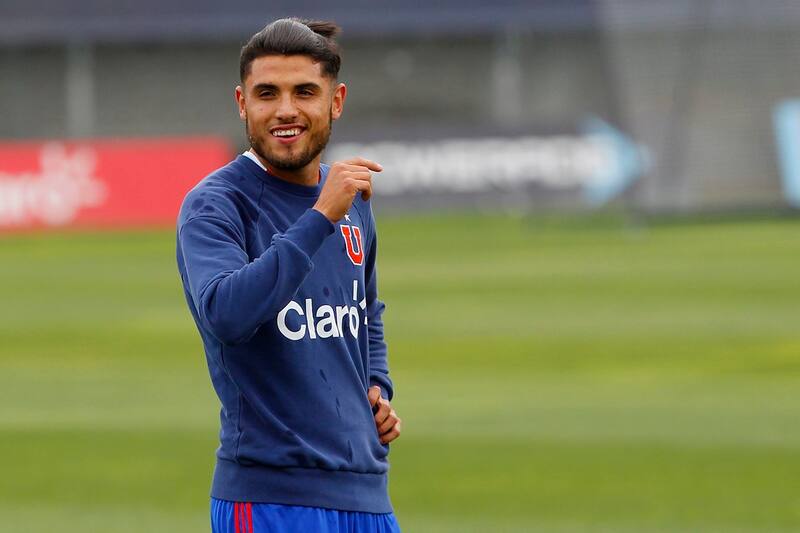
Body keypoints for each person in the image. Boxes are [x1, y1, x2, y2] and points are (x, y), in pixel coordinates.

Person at [176, 18, 401, 533]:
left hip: (368, 494)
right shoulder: (215, 205)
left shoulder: (350, 200)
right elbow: (227, 315)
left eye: (304, 92)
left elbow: (365, 310)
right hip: (272, 496)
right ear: (242, 103)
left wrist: (376, 386)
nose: (285, 110)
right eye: (266, 93)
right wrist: (318, 217)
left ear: (335, 100)